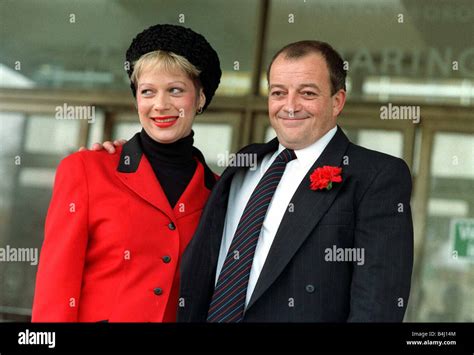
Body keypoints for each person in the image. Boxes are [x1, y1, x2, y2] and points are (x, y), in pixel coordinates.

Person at [97, 40, 414, 322]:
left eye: (307, 93)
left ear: (337, 101)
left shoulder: (376, 176)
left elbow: (378, 304)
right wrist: (123, 154)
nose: (289, 106)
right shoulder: (246, 163)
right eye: (278, 93)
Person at [32, 24, 221, 322]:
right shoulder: (85, 170)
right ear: (137, 100)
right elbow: (55, 289)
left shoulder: (220, 193)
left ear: (199, 99)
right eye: (148, 91)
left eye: (175, 90)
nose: (160, 105)